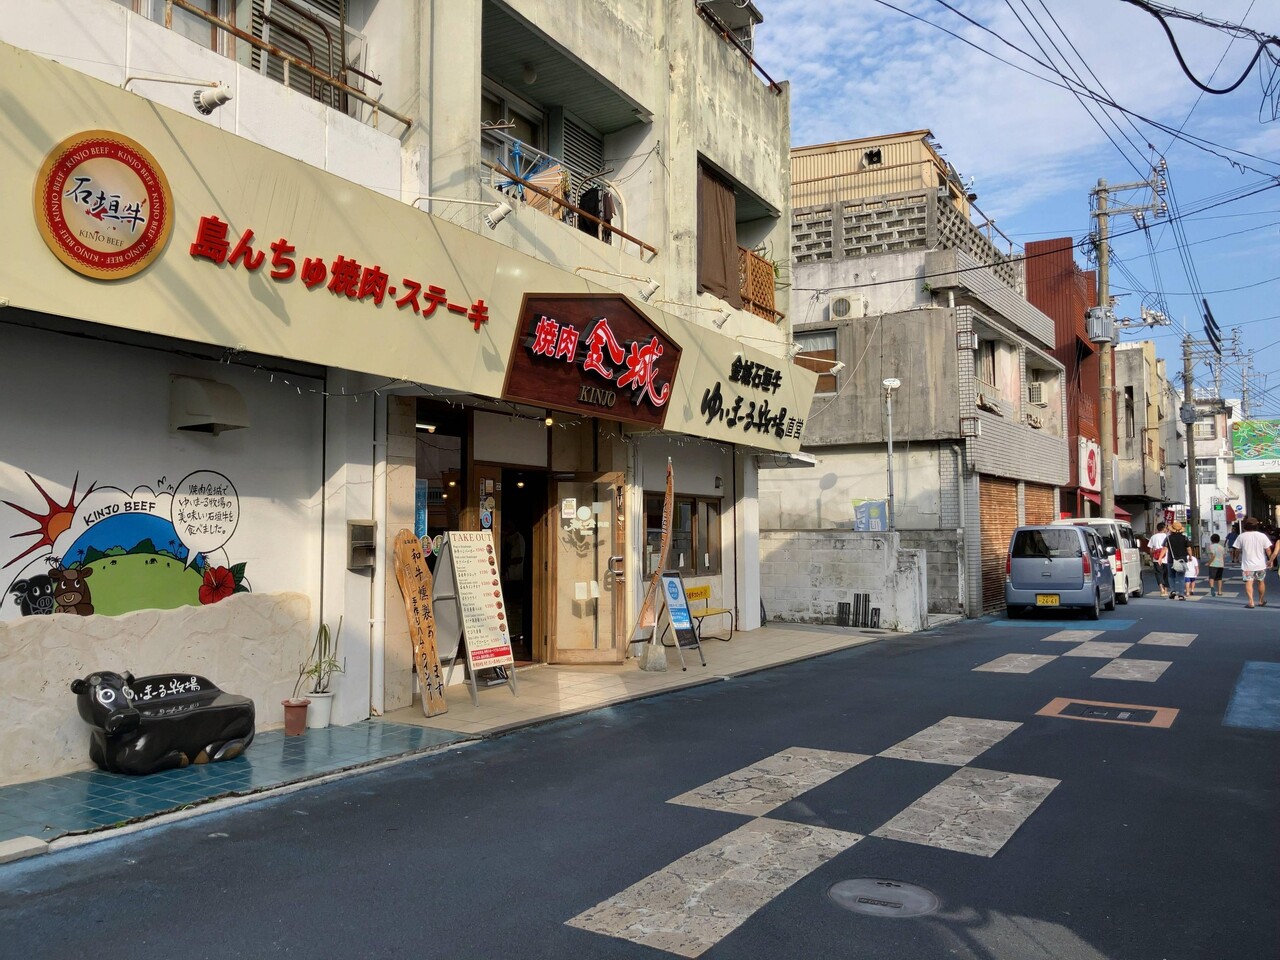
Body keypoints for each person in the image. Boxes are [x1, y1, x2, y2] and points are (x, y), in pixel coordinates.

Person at [1235, 517, 1278, 608]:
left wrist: (1236, 558)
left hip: (1247, 565)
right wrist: (1270, 561)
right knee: (1261, 582)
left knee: (1249, 582)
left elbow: (1237, 550)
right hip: (1260, 565)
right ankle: (1261, 601)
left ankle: (1251, 602)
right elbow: (1268, 550)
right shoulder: (1262, 536)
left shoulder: (1241, 536)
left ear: (1245, 526)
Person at [1165, 521, 1190, 600]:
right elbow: (1188, 548)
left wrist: (1160, 557)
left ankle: (1172, 591)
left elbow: (1164, 547)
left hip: (1171, 560)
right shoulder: (1185, 538)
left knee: (1171, 576)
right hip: (1182, 560)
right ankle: (1181, 594)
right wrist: (1190, 556)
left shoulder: (1168, 538)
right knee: (1181, 577)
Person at [1148, 522, 1170, 598]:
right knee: (1166, 574)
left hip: (1156, 558)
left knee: (1158, 573)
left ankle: (1161, 589)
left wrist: (1152, 557)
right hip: (1166, 557)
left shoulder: (1153, 537)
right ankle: (1166, 590)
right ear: (1164, 528)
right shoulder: (1167, 537)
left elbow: (1151, 549)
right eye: (1166, 528)